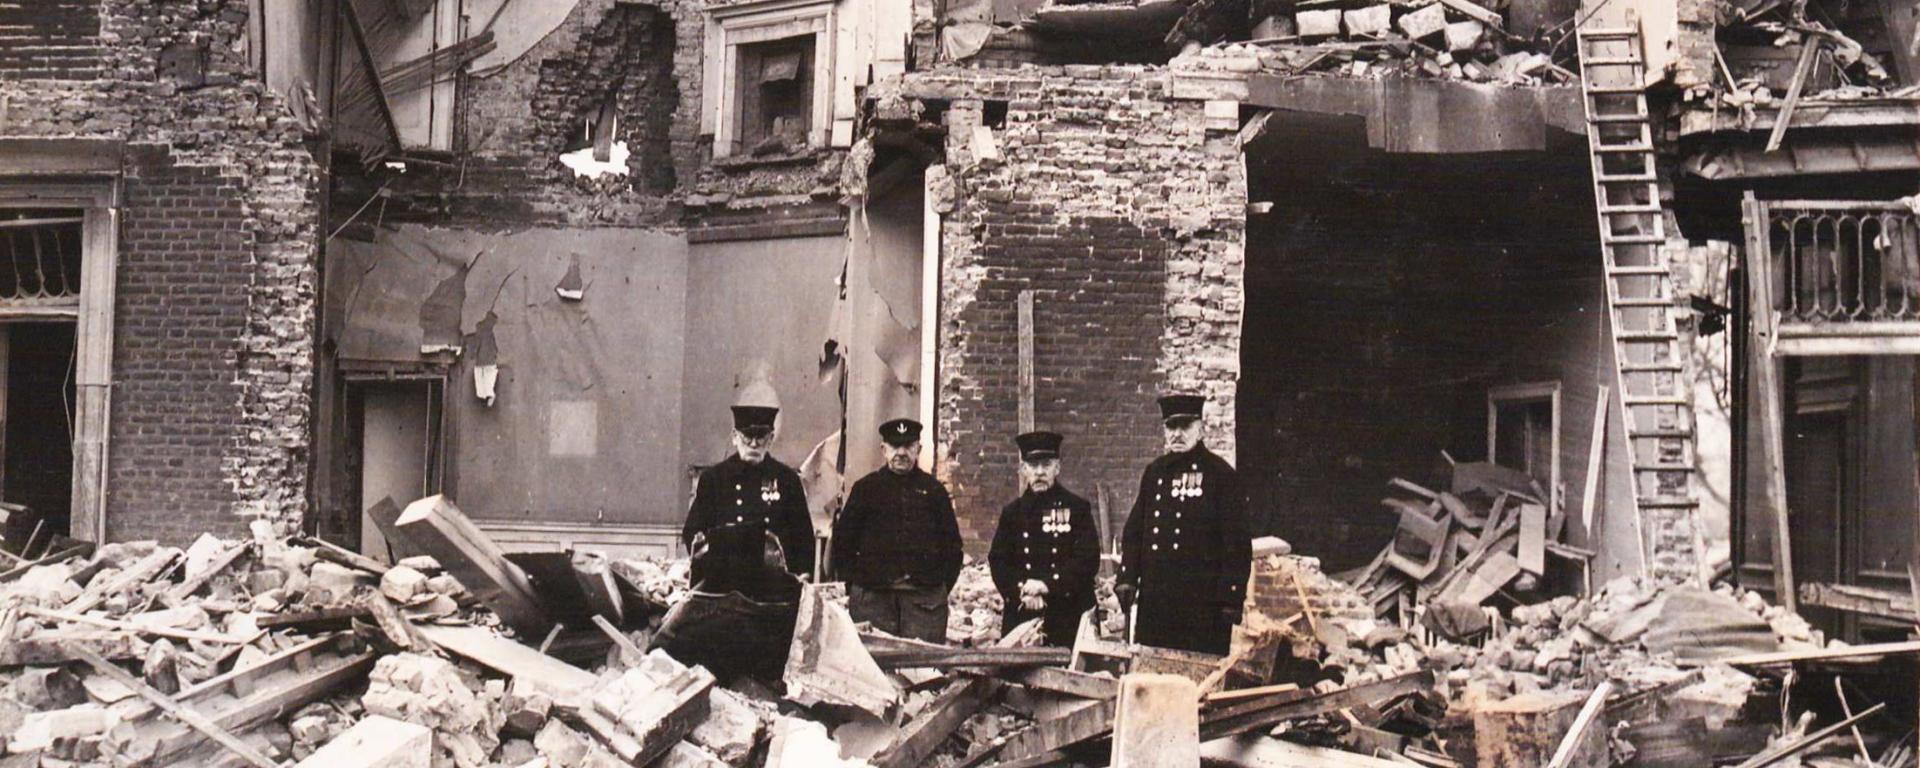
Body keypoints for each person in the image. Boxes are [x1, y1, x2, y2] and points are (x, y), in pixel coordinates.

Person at [1116, 393, 1252, 655]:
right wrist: (1127, 577)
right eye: (1171, 426)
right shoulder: (1155, 473)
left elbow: (1236, 542)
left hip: (1202, 604)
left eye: (1185, 426)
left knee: (1195, 681)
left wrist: (1231, 596)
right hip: (1156, 601)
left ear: (1200, 429)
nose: (1177, 433)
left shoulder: (1220, 474)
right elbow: (1134, 532)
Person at [830, 418, 963, 642]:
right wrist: (858, 588)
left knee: (923, 670)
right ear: (883, 449)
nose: (901, 452)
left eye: (908, 446)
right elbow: (843, 543)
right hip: (874, 599)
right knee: (874, 668)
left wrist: (936, 589)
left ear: (918, 449)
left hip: (923, 602)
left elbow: (952, 547)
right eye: (894, 446)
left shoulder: (933, 491)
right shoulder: (866, 489)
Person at [987, 431, 1101, 646]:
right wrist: (1022, 591)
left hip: (1067, 614)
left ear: (1057, 468)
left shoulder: (1077, 508)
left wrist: (1047, 585)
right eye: (1033, 465)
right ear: (1023, 470)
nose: (1039, 472)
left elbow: (1087, 560)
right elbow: (998, 561)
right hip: (1024, 614)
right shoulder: (1012, 513)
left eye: (1046, 465)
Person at [682, 404, 815, 588]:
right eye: (747, 437)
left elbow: (804, 536)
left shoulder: (787, 480)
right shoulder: (714, 479)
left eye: (760, 437)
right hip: (726, 582)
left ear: (771, 439)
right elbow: (692, 531)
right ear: (735, 437)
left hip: (774, 585)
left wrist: (802, 577)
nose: (753, 444)